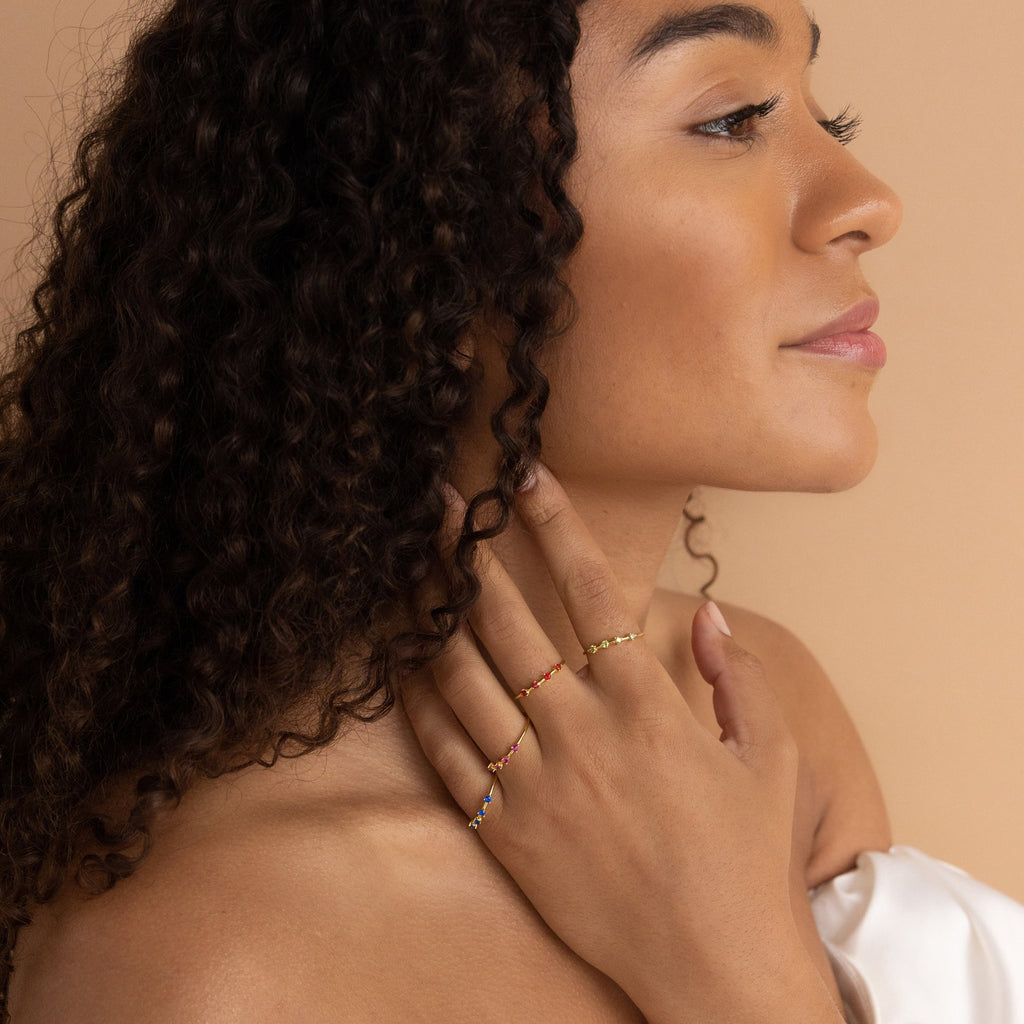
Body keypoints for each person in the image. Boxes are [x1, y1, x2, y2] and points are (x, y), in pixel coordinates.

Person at [2, 0, 1022, 1022]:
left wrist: (742, 968)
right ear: (414, 238)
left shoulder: (759, 714)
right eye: (733, 116)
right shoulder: (200, 963)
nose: (869, 201)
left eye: (822, 115)